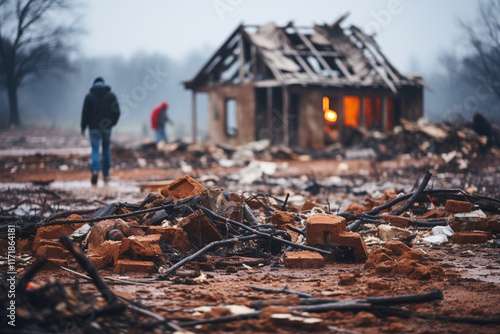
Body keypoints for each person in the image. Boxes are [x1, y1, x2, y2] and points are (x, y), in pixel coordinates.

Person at [81, 77, 120, 185]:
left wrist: (83, 127)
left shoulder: (89, 97)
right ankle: (106, 174)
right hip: (107, 128)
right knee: (106, 149)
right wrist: (113, 123)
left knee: (95, 149)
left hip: (93, 127)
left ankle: (94, 171)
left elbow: (85, 113)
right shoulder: (111, 96)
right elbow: (117, 111)